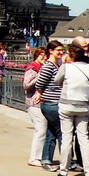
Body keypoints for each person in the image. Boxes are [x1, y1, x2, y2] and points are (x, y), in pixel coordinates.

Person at [54, 43, 89, 176]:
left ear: (70, 54)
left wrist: (64, 64)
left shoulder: (66, 67)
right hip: (83, 105)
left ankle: (64, 170)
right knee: (84, 138)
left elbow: (56, 81)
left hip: (66, 104)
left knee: (66, 138)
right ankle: (88, 171)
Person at [35, 41, 65, 169]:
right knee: (62, 133)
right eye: (58, 50)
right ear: (51, 51)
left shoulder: (57, 65)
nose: (61, 52)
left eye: (62, 50)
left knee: (52, 131)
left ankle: (46, 159)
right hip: (51, 103)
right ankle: (68, 161)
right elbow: (40, 83)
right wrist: (40, 93)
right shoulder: (48, 66)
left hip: (54, 102)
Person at [23, 46, 48, 165]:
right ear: (37, 56)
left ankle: (40, 156)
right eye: (42, 55)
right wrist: (39, 76)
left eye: (45, 55)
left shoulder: (42, 68)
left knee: (41, 130)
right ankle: (34, 158)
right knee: (40, 130)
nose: (44, 57)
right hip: (34, 103)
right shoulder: (33, 68)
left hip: (40, 103)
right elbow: (26, 85)